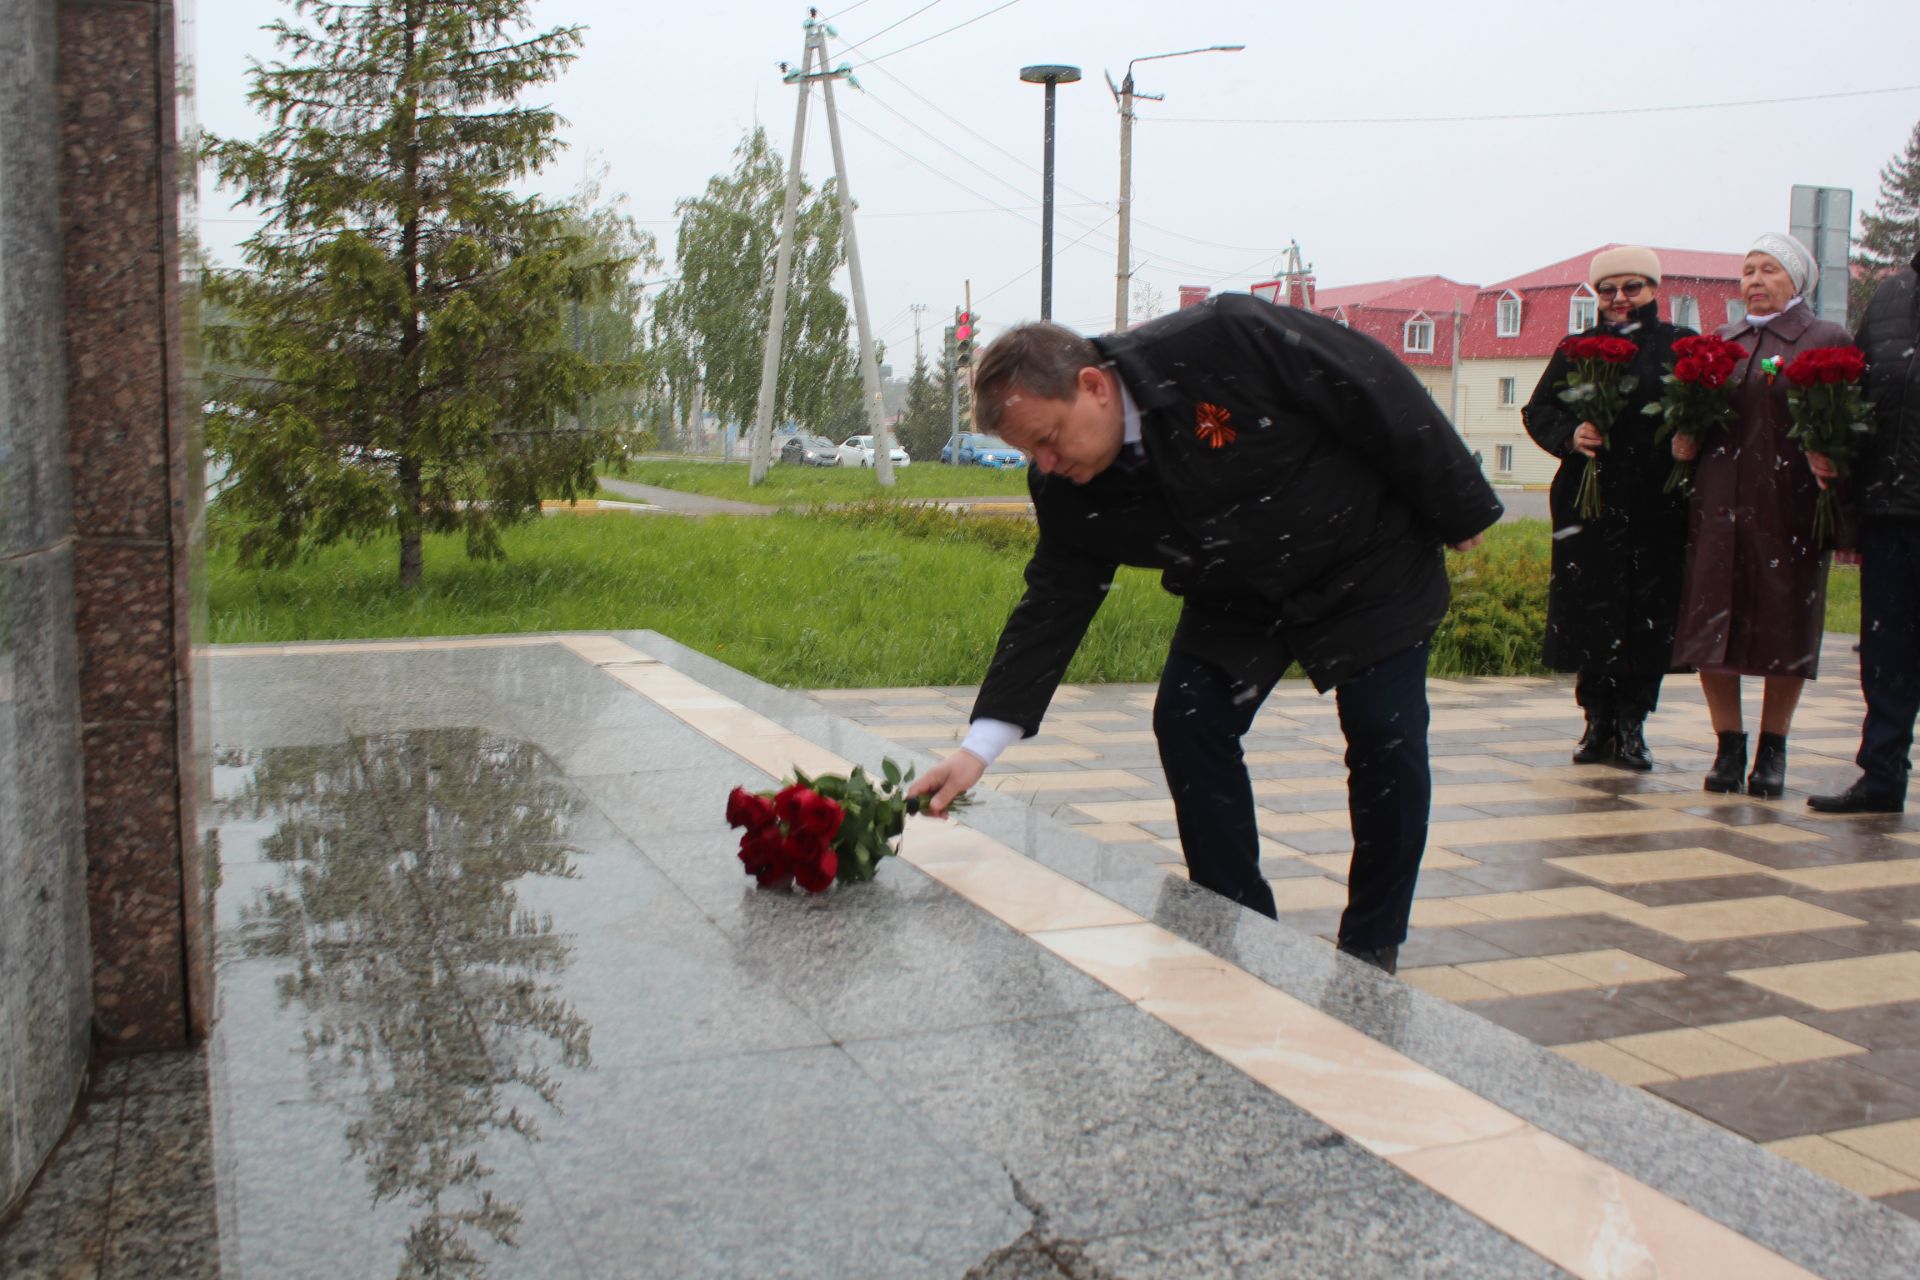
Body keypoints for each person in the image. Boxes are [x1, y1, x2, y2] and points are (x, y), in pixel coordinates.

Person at [905, 296, 1503, 974]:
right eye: (1029, 452)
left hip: (1364, 557)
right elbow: (1054, 603)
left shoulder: (1223, 340)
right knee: (1190, 722)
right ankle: (1237, 920)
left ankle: (1372, 944)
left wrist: (1456, 503)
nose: (1044, 463)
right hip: (1238, 587)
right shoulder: (1068, 486)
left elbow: (1368, 381)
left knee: (1383, 735)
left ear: (1093, 386)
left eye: (1049, 438)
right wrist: (977, 749)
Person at [1670, 233, 1855, 796]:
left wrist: (1833, 453)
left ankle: (1773, 751)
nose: (1754, 279)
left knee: (1784, 627)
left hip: (1787, 508)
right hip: (1719, 507)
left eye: (1769, 269)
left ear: (1796, 281)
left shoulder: (1823, 340)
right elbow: (1698, 416)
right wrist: (1682, 436)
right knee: (1711, 629)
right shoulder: (1723, 340)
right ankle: (1729, 747)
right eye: (1747, 270)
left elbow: (1850, 420)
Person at [1522, 247, 1694, 770]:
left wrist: (1692, 434)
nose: (1620, 299)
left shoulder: (1679, 345)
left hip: (1657, 501)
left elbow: (1708, 406)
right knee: (1590, 609)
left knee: (1647, 614)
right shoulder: (1576, 348)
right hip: (1589, 497)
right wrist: (1571, 434)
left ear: (1654, 291)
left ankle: (1633, 724)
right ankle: (1596, 722)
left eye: (1632, 288)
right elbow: (1539, 409)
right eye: (1608, 289)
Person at [1805, 251, 1920, 813]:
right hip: (1890, 509)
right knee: (1886, 652)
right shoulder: (1894, 294)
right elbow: (1856, 389)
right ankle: (1881, 776)